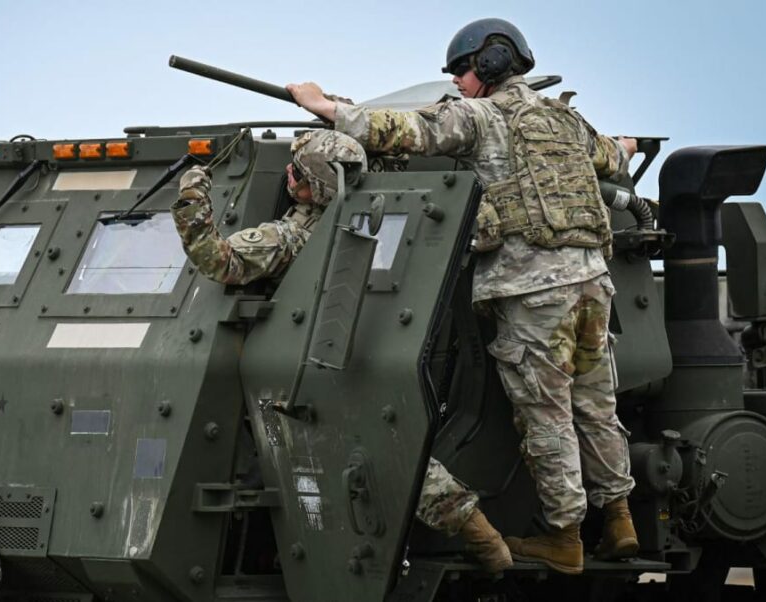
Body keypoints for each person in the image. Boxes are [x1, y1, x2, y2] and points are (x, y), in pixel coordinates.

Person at [287, 18, 639, 575]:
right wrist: (625, 144)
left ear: (493, 64)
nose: (457, 82)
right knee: (596, 406)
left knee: (545, 415)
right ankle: (620, 520)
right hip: (594, 283)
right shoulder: (568, 119)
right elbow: (613, 157)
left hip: (533, 293)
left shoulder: (479, 118)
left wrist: (326, 107)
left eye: (462, 70)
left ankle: (565, 538)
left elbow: (404, 131)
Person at [171, 129, 513, 573]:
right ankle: (481, 536)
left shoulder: (295, 234)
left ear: (316, 187)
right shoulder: (387, 208)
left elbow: (218, 260)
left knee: (379, 456)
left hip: (322, 365)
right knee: (394, 450)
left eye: (299, 174)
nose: (290, 178)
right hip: (380, 349)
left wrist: (192, 199)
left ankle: (480, 539)